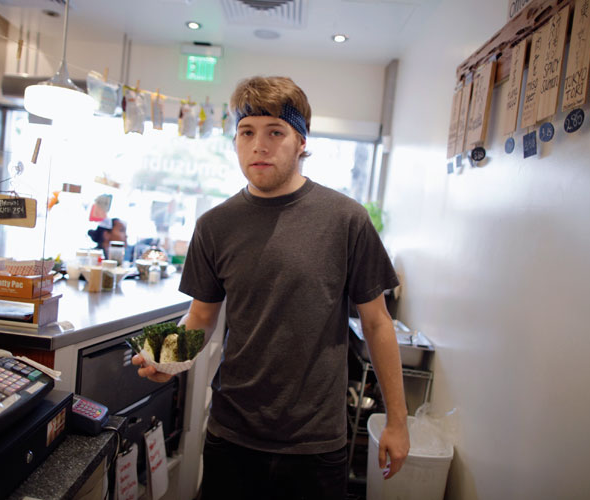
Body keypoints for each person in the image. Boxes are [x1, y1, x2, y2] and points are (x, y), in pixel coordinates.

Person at [132, 76, 409, 500]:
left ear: (301, 142)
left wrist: (397, 421)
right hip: (233, 433)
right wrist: (168, 358)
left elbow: (376, 323)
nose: (258, 145)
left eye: (275, 132)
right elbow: (202, 317)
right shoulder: (214, 225)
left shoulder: (346, 220)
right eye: (247, 132)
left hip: (316, 442)